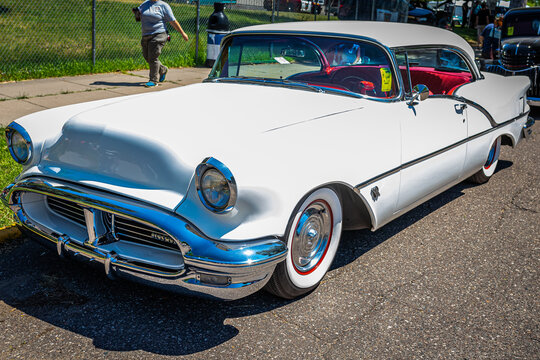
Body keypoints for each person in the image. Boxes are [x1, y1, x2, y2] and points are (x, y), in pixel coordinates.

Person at [133, 0, 189, 88]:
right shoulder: (144, 4)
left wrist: (182, 33)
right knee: (147, 56)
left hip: (159, 34)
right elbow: (139, 18)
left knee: (153, 56)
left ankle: (153, 80)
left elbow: (173, 21)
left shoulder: (163, 6)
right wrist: (136, 14)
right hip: (146, 34)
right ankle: (163, 69)